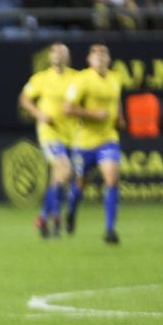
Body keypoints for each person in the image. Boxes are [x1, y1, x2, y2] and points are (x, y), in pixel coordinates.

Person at [63, 44, 124, 244]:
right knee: (80, 184)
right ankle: (71, 211)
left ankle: (110, 229)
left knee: (112, 180)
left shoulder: (115, 78)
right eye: (96, 55)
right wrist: (93, 114)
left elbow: (116, 101)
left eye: (104, 54)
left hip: (108, 139)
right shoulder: (81, 79)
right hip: (85, 142)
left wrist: (119, 118)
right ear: (89, 59)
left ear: (109, 58)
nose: (100, 58)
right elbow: (67, 108)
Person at [17, 43, 77, 238]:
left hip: (72, 134)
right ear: (50, 57)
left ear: (68, 57)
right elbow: (24, 98)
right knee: (64, 169)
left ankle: (45, 217)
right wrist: (39, 115)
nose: (58, 56)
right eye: (55, 52)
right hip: (49, 133)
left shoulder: (76, 78)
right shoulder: (41, 78)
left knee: (59, 177)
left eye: (62, 53)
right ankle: (54, 214)